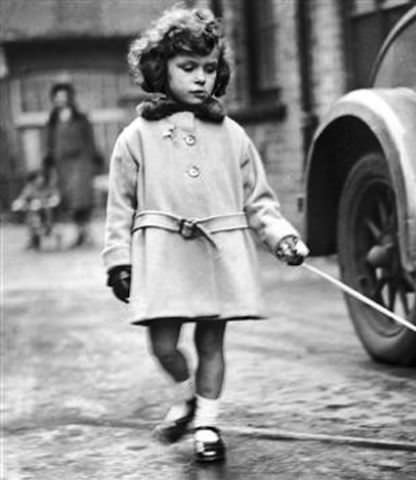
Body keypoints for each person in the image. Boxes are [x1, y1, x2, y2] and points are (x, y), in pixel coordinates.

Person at [102, 6, 309, 463]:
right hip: (162, 254)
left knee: (211, 342)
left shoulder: (232, 135)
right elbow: (120, 205)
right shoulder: (136, 137)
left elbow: (259, 200)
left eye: (210, 68)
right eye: (188, 67)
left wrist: (282, 238)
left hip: (220, 253)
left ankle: (208, 424)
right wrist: (119, 260)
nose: (201, 79)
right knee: (163, 345)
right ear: (161, 69)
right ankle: (186, 394)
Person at [45, 82, 102, 247]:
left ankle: (85, 233)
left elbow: (90, 141)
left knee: (82, 199)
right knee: (69, 201)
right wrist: (49, 163)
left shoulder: (81, 119)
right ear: (53, 99)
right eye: (57, 97)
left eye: (64, 96)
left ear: (70, 98)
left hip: (81, 163)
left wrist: (93, 162)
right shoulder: (52, 121)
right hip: (62, 165)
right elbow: (49, 144)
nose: (61, 100)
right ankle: (80, 233)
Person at [11, 167, 61, 250]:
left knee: (42, 214)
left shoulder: (49, 187)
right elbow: (22, 198)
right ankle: (34, 239)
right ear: (33, 179)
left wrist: (49, 202)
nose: (40, 179)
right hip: (35, 213)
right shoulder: (30, 188)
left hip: (48, 213)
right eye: (38, 178)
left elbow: (56, 198)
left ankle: (46, 230)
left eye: (41, 177)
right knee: (32, 216)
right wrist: (18, 203)